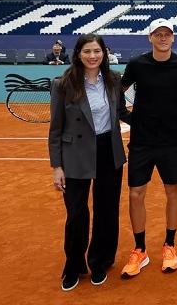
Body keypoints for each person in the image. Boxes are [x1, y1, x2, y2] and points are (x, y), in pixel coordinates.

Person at [49, 34, 131, 291]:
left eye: (97, 51)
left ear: (104, 53)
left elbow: (121, 113)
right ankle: (73, 265)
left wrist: (150, 119)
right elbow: (55, 129)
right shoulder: (63, 84)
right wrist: (57, 167)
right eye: (87, 51)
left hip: (109, 150)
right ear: (78, 54)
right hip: (75, 154)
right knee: (76, 214)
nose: (93, 56)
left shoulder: (114, 79)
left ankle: (99, 262)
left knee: (107, 211)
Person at [119, 18, 177, 278]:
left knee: (172, 190)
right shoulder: (137, 64)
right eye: (157, 34)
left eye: (167, 34)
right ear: (150, 37)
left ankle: (169, 246)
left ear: (173, 38)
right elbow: (120, 89)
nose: (163, 38)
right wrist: (126, 115)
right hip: (141, 141)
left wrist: (175, 104)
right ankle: (140, 250)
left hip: (172, 141)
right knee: (136, 193)